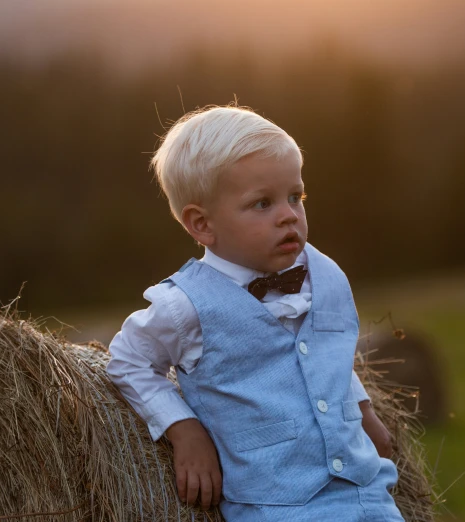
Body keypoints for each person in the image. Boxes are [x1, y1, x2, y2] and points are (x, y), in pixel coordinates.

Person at [107, 105, 404, 521]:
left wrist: (363, 409)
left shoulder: (325, 275)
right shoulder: (185, 305)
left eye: (295, 197)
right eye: (262, 203)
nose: (288, 214)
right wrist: (183, 428)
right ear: (202, 224)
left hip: (368, 494)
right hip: (274, 506)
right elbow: (128, 359)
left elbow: (326, 352)